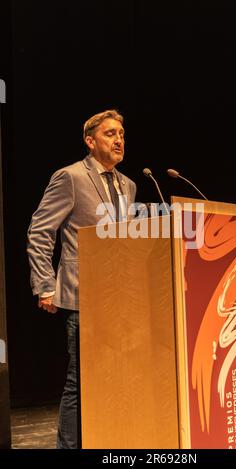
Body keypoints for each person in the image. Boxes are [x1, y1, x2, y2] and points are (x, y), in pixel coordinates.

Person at [27, 109, 137, 449]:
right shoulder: (71, 177)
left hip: (120, 299)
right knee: (80, 382)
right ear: (90, 141)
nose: (118, 139)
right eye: (110, 134)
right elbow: (40, 231)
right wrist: (46, 285)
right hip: (82, 296)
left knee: (115, 379)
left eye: (121, 133)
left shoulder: (128, 185)